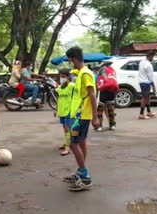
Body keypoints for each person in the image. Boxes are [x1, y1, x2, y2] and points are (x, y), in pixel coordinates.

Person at [63, 47, 99, 192]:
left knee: (72, 143)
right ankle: (80, 171)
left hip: (82, 115)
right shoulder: (81, 73)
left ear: (72, 59)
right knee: (81, 141)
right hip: (78, 114)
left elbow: (92, 95)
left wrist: (95, 117)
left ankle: (85, 176)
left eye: (69, 59)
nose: (70, 62)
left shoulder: (85, 74)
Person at [54, 68, 75, 156]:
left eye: (63, 77)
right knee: (65, 128)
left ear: (68, 77)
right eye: (60, 76)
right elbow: (58, 99)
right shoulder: (60, 87)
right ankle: (67, 143)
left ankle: (68, 147)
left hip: (69, 110)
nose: (61, 78)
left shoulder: (71, 86)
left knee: (67, 128)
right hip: (62, 111)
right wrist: (56, 110)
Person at [96, 62, 119, 131]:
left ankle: (99, 126)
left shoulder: (102, 69)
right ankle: (112, 125)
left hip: (104, 90)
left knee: (100, 108)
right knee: (110, 107)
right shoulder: (112, 70)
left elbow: (103, 81)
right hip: (112, 90)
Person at [139, 51, 156, 119]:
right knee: (145, 98)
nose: (153, 58)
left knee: (148, 97)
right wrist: (153, 86)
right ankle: (141, 114)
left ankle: (149, 112)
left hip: (142, 82)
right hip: (145, 83)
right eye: (152, 56)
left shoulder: (141, 62)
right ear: (150, 56)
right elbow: (150, 77)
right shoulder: (149, 65)